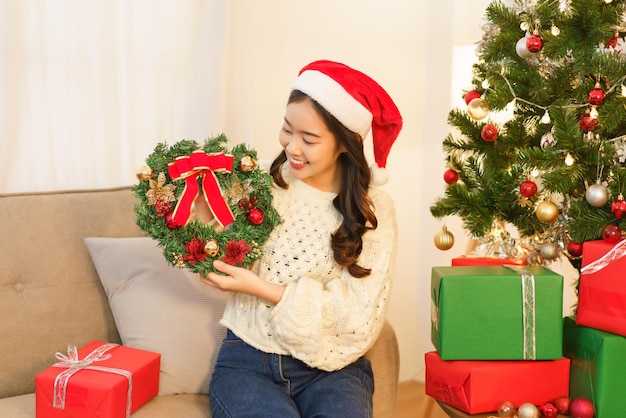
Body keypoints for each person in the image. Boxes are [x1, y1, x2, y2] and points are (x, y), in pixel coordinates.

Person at [203, 59, 402, 418]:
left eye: (309, 139)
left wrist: (264, 289)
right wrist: (204, 228)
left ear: (346, 143)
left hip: (334, 371)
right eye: (287, 130)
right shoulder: (259, 183)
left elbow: (357, 315)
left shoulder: (375, 210)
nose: (293, 147)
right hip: (247, 362)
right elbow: (221, 257)